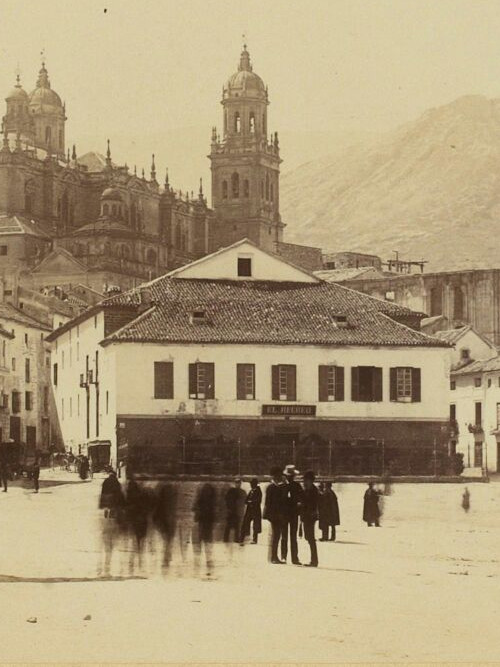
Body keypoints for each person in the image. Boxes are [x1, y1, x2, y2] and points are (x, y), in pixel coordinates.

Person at [98, 470, 125, 577]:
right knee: (111, 540)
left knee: (105, 538)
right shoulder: (117, 484)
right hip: (114, 512)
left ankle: (102, 566)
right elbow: (120, 497)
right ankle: (108, 565)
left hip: (105, 511)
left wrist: (102, 506)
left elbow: (102, 496)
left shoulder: (105, 483)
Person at [263, 466, 287, 564]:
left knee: (276, 535)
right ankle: (273, 557)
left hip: (274, 515)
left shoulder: (272, 487)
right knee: (276, 535)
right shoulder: (274, 488)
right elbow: (270, 503)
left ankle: (273, 556)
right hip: (276, 515)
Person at [192, 483, 216, 576]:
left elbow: (194, 509)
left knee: (199, 545)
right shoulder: (211, 502)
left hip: (201, 524)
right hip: (207, 525)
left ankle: (197, 566)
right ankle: (209, 566)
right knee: (208, 545)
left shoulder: (200, 500)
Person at [282, 464, 304, 565]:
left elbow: (302, 499)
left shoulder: (296, 486)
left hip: (293, 514)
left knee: (292, 536)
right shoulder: (283, 486)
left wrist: (299, 504)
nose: (290, 478)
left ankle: (293, 558)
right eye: (289, 476)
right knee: (285, 536)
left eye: (291, 476)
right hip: (285, 514)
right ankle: (284, 557)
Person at [301, 470, 319, 567]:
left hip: (310, 517)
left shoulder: (313, 491)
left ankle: (314, 560)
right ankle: (314, 560)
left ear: (310, 480)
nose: (304, 482)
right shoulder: (307, 490)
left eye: (305, 480)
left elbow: (313, 504)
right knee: (308, 537)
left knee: (310, 538)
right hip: (306, 516)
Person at [223, 478, 246, 543]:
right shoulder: (231, 491)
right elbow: (227, 500)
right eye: (237, 483)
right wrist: (228, 508)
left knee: (237, 526)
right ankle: (226, 539)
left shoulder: (241, 492)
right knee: (229, 526)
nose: (238, 484)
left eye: (239, 483)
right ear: (235, 483)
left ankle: (235, 539)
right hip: (232, 511)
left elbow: (244, 502)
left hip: (236, 511)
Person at [240, 478, 262, 544]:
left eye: (252, 484)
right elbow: (246, 500)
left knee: (256, 525)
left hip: (255, 510)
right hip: (249, 510)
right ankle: (242, 538)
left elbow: (258, 501)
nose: (251, 485)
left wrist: (251, 502)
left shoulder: (258, 491)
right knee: (245, 523)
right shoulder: (251, 491)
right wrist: (249, 502)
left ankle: (255, 539)